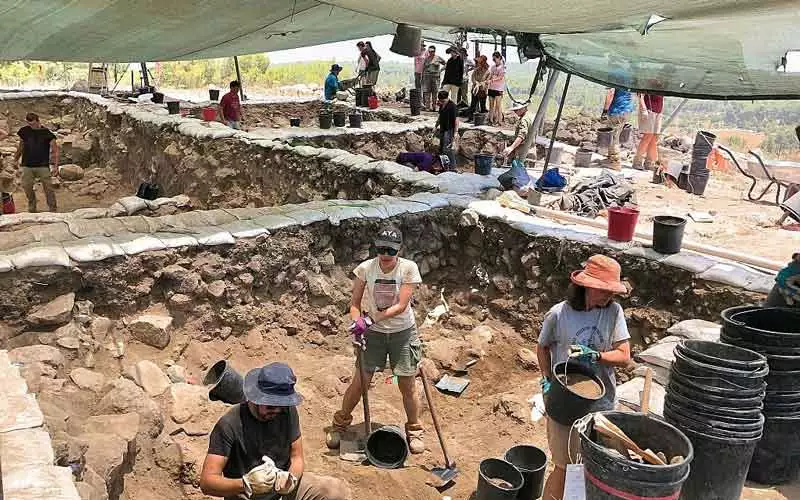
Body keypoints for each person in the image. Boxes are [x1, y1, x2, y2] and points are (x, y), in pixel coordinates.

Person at [537, 255, 632, 500]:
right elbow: (543, 347)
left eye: (612, 290)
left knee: (596, 467)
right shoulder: (559, 314)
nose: (608, 296)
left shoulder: (613, 312)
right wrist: (548, 379)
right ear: (586, 285)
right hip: (565, 402)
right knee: (564, 466)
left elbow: (624, 355)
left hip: (601, 402)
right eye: (603, 290)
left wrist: (597, 356)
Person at [326, 225, 425, 454]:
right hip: (374, 334)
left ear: (398, 250)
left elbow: (401, 306)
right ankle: (340, 425)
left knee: (406, 383)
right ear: (375, 246)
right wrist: (356, 324)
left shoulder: (408, 269)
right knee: (361, 381)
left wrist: (371, 319)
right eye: (381, 249)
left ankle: (414, 430)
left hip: (402, 332)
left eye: (391, 251)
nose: (386, 255)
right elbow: (355, 303)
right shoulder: (366, 269)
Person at [200, 362, 350, 500]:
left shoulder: (287, 411)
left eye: (282, 405)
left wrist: (291, 479)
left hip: (282, 491)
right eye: (271, 406)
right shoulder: (229, 424)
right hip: (246, 496)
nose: (277, 410)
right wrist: (245, 483)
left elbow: (297, 457)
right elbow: (207, 482)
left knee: (335, 491)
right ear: (255, 398)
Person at [14, 112, 58, 213]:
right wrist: (15, 159)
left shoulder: (47, 133)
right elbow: (21, 146)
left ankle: (53, 208)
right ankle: (32, 206)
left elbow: (55, 150)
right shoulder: (24, 131)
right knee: (26, 186)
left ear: (38, 121)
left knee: (48, 188)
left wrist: (55, 166)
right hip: (27, 165)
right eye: (29, 124)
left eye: (32, 124)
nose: (30, 126)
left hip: (43, 165)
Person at [602, 67, 634, 171]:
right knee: (616, 135)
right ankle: (610, 159)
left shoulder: (613, 73)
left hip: (617, 110)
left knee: (613, 137)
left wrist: (605, 111)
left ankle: (615, 162)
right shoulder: (628, 74)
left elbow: (610, 93)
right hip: (627, 110)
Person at [633, 92, 664, 170]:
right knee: (648, 136)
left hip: (658, 112)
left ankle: (649, 163)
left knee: (654, 138)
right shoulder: (649, 82)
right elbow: (640, 94)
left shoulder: (662, 84)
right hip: (649, 110)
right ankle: (637, 162)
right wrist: (643, 109)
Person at [434, 90, 458, 170]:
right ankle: (443, 166)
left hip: (449, 129)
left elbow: (456, 120)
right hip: (442, 129)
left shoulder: (452, 106)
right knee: (441, 148)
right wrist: (435, 126)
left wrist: (455, 132)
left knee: (447, 149)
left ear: (447, 98)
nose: (442, 102)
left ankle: (453, 168)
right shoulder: (442, 105)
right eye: (440, 101)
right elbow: (440, 117)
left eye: (443, 101)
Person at [421, 46, 446, 111]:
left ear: (435, 51)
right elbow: (423, 68)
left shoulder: (438, 58)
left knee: (435, 92)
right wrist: (422, 77)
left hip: (435, 76)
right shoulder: (426, 59)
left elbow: (446, 64)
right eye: (430, 51)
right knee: (427, 92)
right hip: (427, 76)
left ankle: (434, 107)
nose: (431, 53)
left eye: (432, 51)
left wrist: (440, 70)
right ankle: (427, 107)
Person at [467, 55, 490, 121]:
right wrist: (476, 83)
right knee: (473, 105)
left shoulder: (487, 72)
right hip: (475, 90)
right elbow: (473, 77)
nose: (478, 64)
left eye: (479, 62)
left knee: (483, 106)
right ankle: (470, 118)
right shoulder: (476, 70)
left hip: (482, 90)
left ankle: (482, 120)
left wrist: (480, 84)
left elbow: (486, 81)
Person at [488, 52, 506, 126]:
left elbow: (501, 77)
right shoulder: (492, 67)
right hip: (491, 88)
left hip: (498, 89)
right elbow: (490, 75)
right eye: (493, 58)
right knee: (491, 105)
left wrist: (492, 80)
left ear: (499, 58)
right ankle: (491, 120)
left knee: (498, 106)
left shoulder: (502, 67)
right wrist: (487, 80)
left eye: (495, 58)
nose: (494, 60)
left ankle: (499, 121)